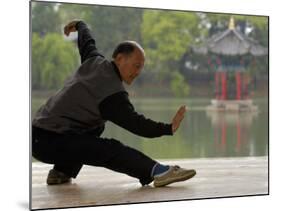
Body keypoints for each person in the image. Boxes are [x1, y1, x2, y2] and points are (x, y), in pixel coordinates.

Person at [32, 20, 196, 188]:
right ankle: (158, 171)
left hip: (38, 135)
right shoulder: (112, 93)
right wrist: (168, 128)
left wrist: (80, 25)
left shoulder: (94, 60)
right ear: (119, 58)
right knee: (110, 149)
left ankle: (61, 172)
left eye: (141, 68)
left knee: (96, 127)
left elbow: (87, 41)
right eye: (136, 66)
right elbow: (137, 124)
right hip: (49, 141)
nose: (138, 72)